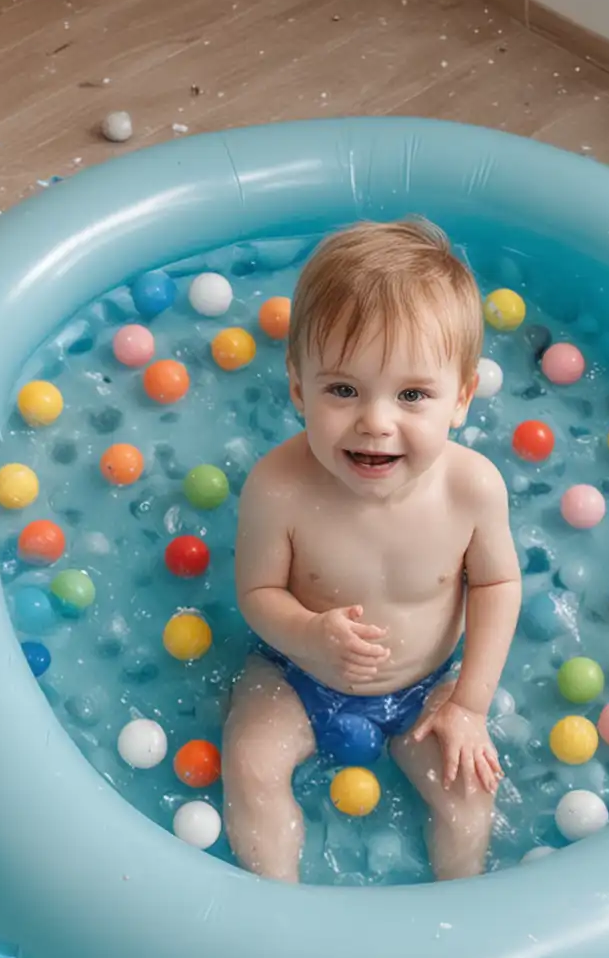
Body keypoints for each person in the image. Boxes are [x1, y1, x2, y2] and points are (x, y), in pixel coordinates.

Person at [222, 218, 522, 883]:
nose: (375, 421)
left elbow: (498, 587)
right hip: (296, 674)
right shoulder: (278, 488)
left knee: (471, 793)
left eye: (413, 395)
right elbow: (257, 594)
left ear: (462, 398)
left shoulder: (472, 489)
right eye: (343, 389)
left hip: (426, 690)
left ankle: (459, 909)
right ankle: (279, 913)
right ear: (299, 389)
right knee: (250, 762)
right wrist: (308, 634)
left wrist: (469, 704)